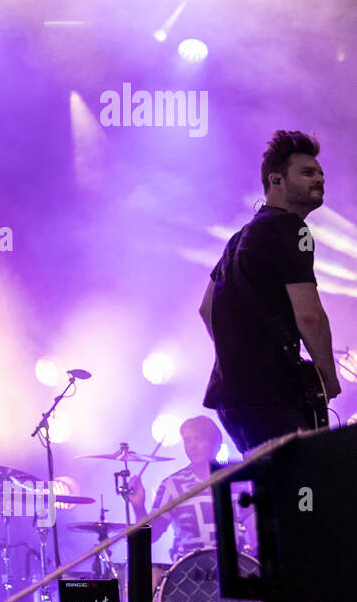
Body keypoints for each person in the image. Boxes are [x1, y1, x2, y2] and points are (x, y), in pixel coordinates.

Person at [200, 130, 339, 454]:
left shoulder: (240, 237)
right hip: (272, 396)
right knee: (303, 495)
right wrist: (328, 378)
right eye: (307, 173)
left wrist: (241, 355)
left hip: (232, 399)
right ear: (276, 180)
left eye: (320, 173)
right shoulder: (292, 228)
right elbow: (309, 315)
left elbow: (206, 309)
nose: (319, 179)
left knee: (276, 495)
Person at [127, 416, 254, 559]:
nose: (192, 446)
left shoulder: (238, 480)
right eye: (187, 441)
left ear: (216, 444)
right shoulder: (171, 484)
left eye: (198, 439)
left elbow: (255, 532)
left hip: (236, 569)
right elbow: (151, 537)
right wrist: (139, 508)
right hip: (188, 573)